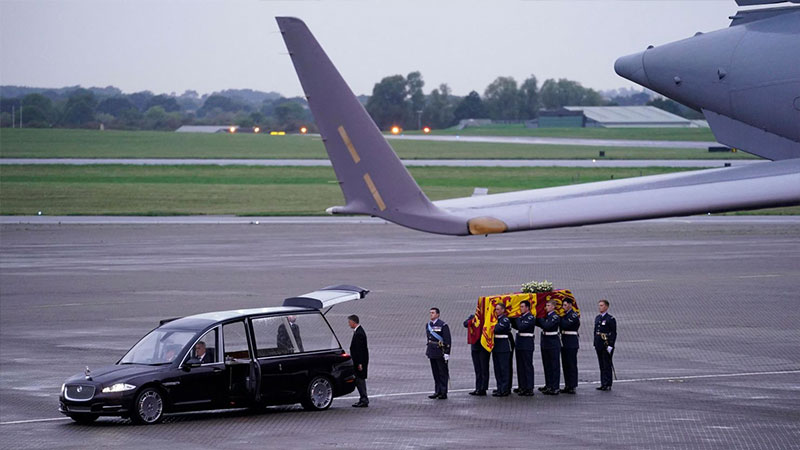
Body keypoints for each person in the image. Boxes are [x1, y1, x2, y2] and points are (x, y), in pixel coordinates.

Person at [426, 307, 451, 399]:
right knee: (435, 372)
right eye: (430, 313)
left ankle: (443, 392)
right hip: (432, 351)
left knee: (442, 372)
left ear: (438, 314)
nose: (431, 314)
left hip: (440, 351)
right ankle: (437, 391)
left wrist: (447, 352)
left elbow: (447, 339)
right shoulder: (428, 325)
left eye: (433, 313)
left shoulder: (443, 325)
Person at [511, 300, 535, 396]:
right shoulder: (522, 317)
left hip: (527, 344)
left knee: (527, 366)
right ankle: (522, 386)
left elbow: (521, 326)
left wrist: (516, 318)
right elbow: (516, 326)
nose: (520, 308)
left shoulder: (530, 317)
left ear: (527, 308)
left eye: (522, 307)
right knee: (520, 366)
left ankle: (529, 387)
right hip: (520, 343)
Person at [538, 300, 561, 395]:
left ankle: (555, 387)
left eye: (548, 305)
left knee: (554, 365)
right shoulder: (547, 316)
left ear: (553, 307)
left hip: (553, 343)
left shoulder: (555, 317)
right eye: (546, 305)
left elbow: (546, 326)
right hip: (545, 342)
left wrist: (539, 318)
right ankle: (548, 385)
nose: (546, 307)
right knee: (547, 365)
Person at [463, 314, 490, 396]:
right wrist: (473, 320)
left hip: (483, 346)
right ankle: (478, 387)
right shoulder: (473, 317)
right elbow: (465, 324)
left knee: (484, 368)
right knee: (477, 368)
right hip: (475, 346)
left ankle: (483, 388)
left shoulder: (487, 317)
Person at [594, 299, 617, 391]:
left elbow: (613, 333)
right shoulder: (598, 318)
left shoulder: (610, 319)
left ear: (606, 307)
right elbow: (596, 331)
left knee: (607, 364)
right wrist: (595, 343)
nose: (600, 307)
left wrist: (611, 345)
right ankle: (603, 383)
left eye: (602, 305)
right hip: (599, 344)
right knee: (601, 365)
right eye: (599, 305)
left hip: (606, 344)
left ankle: (608, 383)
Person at [491, 303, 513, 397]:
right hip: (496, 346)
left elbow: (497, 329)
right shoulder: (496, 319)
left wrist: (491, 326)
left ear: (503, 310)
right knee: (497, 369)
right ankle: (500, 387)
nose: (497, 311)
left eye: (499, 309)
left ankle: (505, 389)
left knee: (504, 369)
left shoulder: (505, 319)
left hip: (503, 347)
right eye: (496, 309)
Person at [559, 298, 580, 394]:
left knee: (571, 364)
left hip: (571, 341)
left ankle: (572, 385)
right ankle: (568, 384)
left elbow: (566, 325)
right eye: (563, 305)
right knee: (565, 364)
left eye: (566, 305)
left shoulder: (573, 315)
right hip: (564, 341)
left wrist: (559, 319)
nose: (564, 307)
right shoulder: (565, 315)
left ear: (571, 305)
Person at [348, 314, 369, 407]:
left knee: (360, 380)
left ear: (353, 322)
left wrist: (360, 363)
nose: (349, 324)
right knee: (359, 380)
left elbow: (360, 350)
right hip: (358, 361)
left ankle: (364, 399)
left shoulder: (359, 333)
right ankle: (363, 398)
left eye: (349, 322)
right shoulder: (358, 331)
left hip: (359, 362)